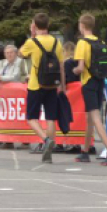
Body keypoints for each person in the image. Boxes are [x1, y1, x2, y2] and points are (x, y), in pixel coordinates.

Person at [72, 13, 107, 165]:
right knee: (89, 119)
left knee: (96, 118)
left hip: (88, 82)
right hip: (99, 81)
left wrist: (74, 71)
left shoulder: (82, 43)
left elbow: (80, 67)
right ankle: (85, 151)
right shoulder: (100, 41)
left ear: (82, 26)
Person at [19, 13, 66, 163]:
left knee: (32, 118)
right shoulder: (56, 42)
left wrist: (32, 34)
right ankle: (49, 151)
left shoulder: (32, 42)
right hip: (52, 84)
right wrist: (62, 85)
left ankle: (46, 140)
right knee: (51, 118)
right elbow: (61, 65)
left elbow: (20, 54)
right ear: (48, 24)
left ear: (35, 25)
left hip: (36, 84)